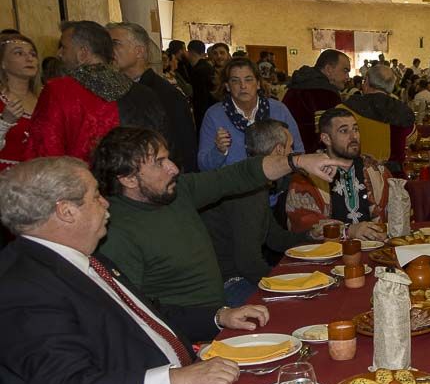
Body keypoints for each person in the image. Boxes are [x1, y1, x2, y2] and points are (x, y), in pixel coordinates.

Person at [0, 156, 270, 384]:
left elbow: (147, 314)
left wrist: (219, 316)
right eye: (96, 196)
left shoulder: (80, 258)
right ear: (65, 212)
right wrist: (176, 379)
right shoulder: (22, 285)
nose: (106, 203)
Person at [93, 126, 346, 320]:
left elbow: (238, 175)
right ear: (127, 179)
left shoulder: (178, 192)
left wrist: (298, 161)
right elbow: (138, 315)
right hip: (192, 334)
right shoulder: (116, 233)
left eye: (167, 158)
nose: (173, 168)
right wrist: (217, 319)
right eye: (159, 163)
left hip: (219, 313)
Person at [200, 120, 312, 306]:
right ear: (278, 151)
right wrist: (291, 285)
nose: (293, 152)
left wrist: (312, 234)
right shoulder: (248, 193)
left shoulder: (253, 184)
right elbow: (249, 264)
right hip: (227, 285)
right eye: (290, 147)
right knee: (299, 305)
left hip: (238, 277)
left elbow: (275, 239)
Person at [28, 21, 166, 162]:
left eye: (63, 47)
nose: (59, 54)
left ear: (83, 54)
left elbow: (44, 151)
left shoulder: (58, 91)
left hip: (78, 181)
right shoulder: (143, 93)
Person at [286, 107, 394, 239]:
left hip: (375, 252)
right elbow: (304, 225)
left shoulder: (377, 171)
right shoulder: (306, 177)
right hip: (326, 254)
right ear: (326, 139)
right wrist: (347, 231)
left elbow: (396, 216)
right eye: (344, 131)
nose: (353, 136)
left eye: (355, 129)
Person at [108, 23, 198, 174]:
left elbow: (184, 148)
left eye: (115, 44)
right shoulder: (115, 89)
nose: (108, 50)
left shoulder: (165, 94)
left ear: (139, 51)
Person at [198, 57, 303, 172]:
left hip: (276, 185)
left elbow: (299, 153)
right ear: (227, 86)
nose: (243, 86)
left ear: (258, 84)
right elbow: (203, 166)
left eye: (248, 79)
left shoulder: (279, 110)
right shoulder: (214, 115)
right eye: (235, 81)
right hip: (232, 187)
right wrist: (219, 151)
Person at [342, 62, 415, 169]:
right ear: (391, 86)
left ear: (366, 82)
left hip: (358, 176)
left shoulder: (346, 110)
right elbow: (411, 141)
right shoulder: (404, 111)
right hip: (395, 178)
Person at [282, 50, 351, 152]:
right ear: (328, 69)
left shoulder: (296, 85)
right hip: (312, 158)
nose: (347, 77)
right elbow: (329, 136)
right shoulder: (326, 94)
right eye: (345, 71)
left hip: (288, 152)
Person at [0, 34, 39, 171]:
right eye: (19, 53)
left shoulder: (47, 98)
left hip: (40, 180)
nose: (29, 58)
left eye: (33, 54)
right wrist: (4, 122)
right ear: (3, 63)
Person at [185, 39, 217, 127]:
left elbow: (201, 97)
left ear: (191, 52)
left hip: (203, 113)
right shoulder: (207, 66)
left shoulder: (199, 71)